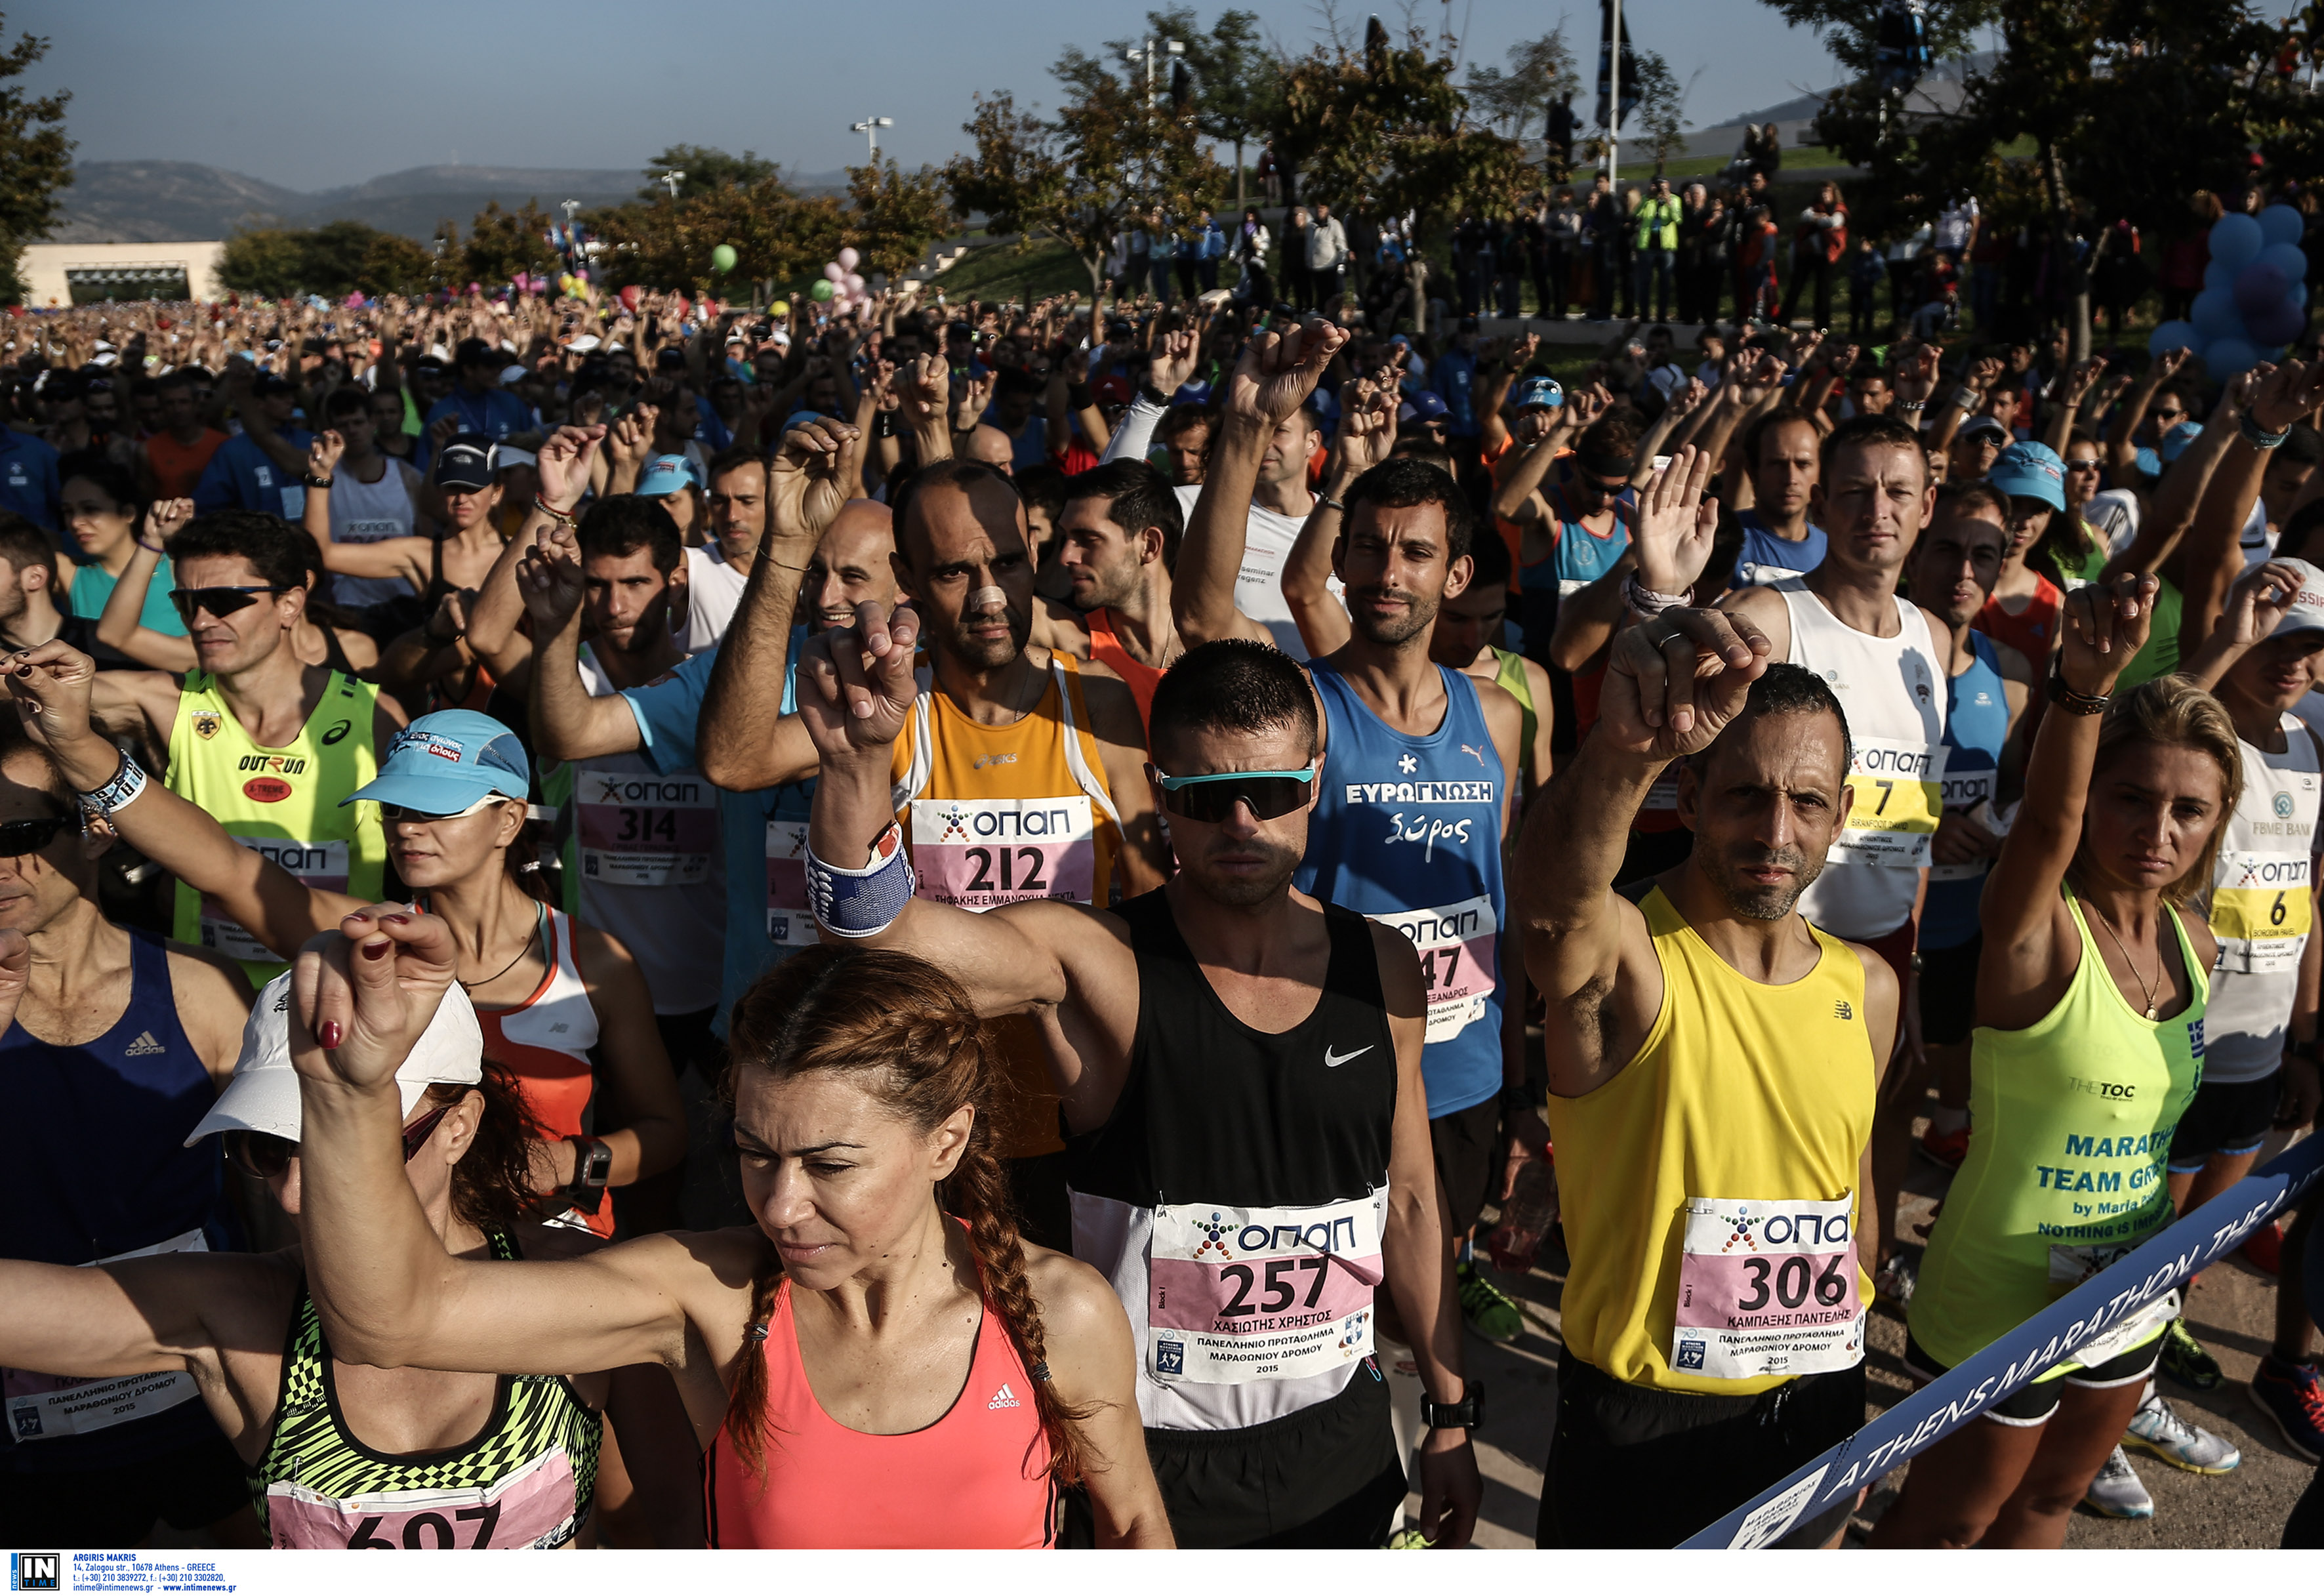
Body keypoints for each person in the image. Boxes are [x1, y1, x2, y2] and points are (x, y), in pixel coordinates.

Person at [790, 618, 1482, 1548]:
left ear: (1312, 786)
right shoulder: (1095, 962)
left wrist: (1447, 1412)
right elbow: (876, 938)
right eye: (1206, 797)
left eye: (1270, 791)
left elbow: (1408, 1200)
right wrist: (855, 769)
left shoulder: (1383, 966)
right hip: (1146, 1463)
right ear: (1161, 795)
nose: (1241, 822)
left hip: (1340, 1445)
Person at [281, 914, 1175, 1549]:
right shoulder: (711, 1297)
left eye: (829, 1165)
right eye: (753, 1154)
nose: (778, 1205)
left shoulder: (1061, 1312)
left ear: (947, 1139)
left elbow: (1134, 1525)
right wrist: (348, 1093)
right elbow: (386, 1320)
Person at [0, 950, 690, 1549]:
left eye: (349, 1146)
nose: (295, 1194)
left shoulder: (581, 1280)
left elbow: (657, 1533)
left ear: (459, 1127)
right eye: (269, 1148)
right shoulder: (235, 1311)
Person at [11, 649, 683, 1237]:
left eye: (434, 810)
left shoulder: (595, 962)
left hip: (556, 1254)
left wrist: (569, 1162)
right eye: (395, 809)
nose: (407, 829)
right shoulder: (364, 938)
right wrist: (80, 748)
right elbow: (220, 864)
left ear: (508, 820)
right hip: (409, 1256)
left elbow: (665, 1133)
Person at [1515, 557, 1895, 1545]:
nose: (1776, 831)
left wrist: (1843, 1389)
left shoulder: (1870, 987)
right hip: (1645, 1430)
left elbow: (1847, 1191)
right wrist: (1618, 750)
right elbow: (1553, 912)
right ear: (1686, 799)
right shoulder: (1630, 961)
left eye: (1807, 803)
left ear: (1841, 816)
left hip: (1813, 1403)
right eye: (1745, 796)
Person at [702, 451, 1168, 1248]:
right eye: (956, 573)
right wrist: (784, 555)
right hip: (918, 1128)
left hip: (1072, 1119)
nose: (991, 596)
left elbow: (1156, 911)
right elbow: (733, 759)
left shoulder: (1097, 702)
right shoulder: (889, 707)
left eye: (1010, 564)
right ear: (908, 579)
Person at [1174, 324, 1529, 1357]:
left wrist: (1514, 1088)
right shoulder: (1305, 708)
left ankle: (1424, 1464)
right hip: (1332, 1058)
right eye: (1366, 547)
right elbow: (1203, 612)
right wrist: (1244, 431)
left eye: (1414, 551)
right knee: (1329, 1324)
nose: (1385, 569)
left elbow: (1492, 909)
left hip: (1460, 1079)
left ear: (1454, 574)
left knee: (1424, 1296)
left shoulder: (1494, 716)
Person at [1876, 578, 2231, 1548]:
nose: (2156, 832)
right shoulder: (2034, 932)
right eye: (2130, 799)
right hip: (1999, 1293)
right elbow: (2040, 828)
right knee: (1948, 1526)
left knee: (2047, 1505)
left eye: (2187, 811)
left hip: (2126, 1287)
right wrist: (2081, 689)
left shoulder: (2195, 947)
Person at [0, 722, 256, 1545]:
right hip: (30, 1436)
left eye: (25, 835)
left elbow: (281, 1203)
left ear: (98, 833)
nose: (0, 865)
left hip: (205, 1402)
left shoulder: (203, 987)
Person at [1719, 413, 1956, 1296]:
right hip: (1772, 952)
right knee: (1758, 1142)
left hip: (1884, 949)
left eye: (1896, 492)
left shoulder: (1932, 643)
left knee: (1877, 1118)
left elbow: (1913, 824)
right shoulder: (1771, 617)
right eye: (1853, 491)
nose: (1875, 511)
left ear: (1925, 504)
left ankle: (1867, 1263)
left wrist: (1912, 952)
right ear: (1820, 501)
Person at [56, 510, 405, 987]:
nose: (201, 621)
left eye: (223, 601)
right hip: (210, 995)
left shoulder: (375, 717)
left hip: (335, 986)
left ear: (290, 604)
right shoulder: (165, 702)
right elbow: (30, 686)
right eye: (186, 602)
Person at [1909, 484, 2031, 1181]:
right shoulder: (1866, 662)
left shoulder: (2010, 675)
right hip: (1874, 916)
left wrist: (1997, 827)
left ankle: (1949, 1126)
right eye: (1949, 550)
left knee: (1957, 1032)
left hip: (1965, 917)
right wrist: (1927, 826)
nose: (1964, 571)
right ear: (1917, 553)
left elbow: (2012, 784)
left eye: (1983, 555)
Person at [300, 388, 427, 614]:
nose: (352, 431)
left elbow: (427, 542)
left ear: (373, 423)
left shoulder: (408, 477)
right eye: (343, 425)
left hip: (407, 602)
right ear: (330, 431)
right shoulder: (321, 481)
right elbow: (313, 547)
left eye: (358, 422)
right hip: (349, 605)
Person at [56, 454, 189, 644]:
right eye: (68, 512)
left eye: (91, 509)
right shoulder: (68, 571)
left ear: (128, 513)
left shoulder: (178, 568)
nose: (76, 522)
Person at [1730, 411, 1827, 587]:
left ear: (1821, 472)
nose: (1791, 478)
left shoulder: (1834, 554)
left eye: (1803, 464)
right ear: (1753, 471)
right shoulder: (1721, 540)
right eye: (1777, 464)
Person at [688, 445, 769, 652]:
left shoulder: (809, 571)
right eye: (720, 502)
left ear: (773, 501)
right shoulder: (689, 570)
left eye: (746, 501)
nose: (732, 516)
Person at [424, 338, 539, 445]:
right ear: (468, 370)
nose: (496, 371)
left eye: (496, 366)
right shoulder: (441, 412)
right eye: (488, 367)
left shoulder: (511, 402)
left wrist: (526, 441)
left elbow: (539, 439)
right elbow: (427, 462)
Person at [137, 372, 227, 502]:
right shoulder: (147, 451)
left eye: (183, 402)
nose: (178, 409)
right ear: (161, 406)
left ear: (196, 403)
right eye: (170, 403)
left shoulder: (223, 445)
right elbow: (147, 498)